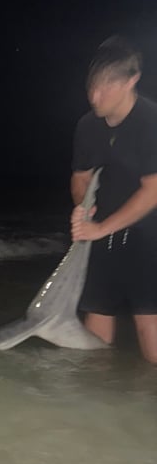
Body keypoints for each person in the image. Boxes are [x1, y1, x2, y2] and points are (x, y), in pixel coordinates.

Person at [70, 35, 157, 364]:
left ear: (132, 79)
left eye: (106, 86)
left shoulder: (151, 121)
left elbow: (153, 190)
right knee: (94, 333)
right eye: (92, 86)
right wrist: (83, 208)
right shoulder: (87, 126)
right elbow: (80, 178)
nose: (95, 96)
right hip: (103, 236)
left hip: (150, 236)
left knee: (149, 328)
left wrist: (100, 227)